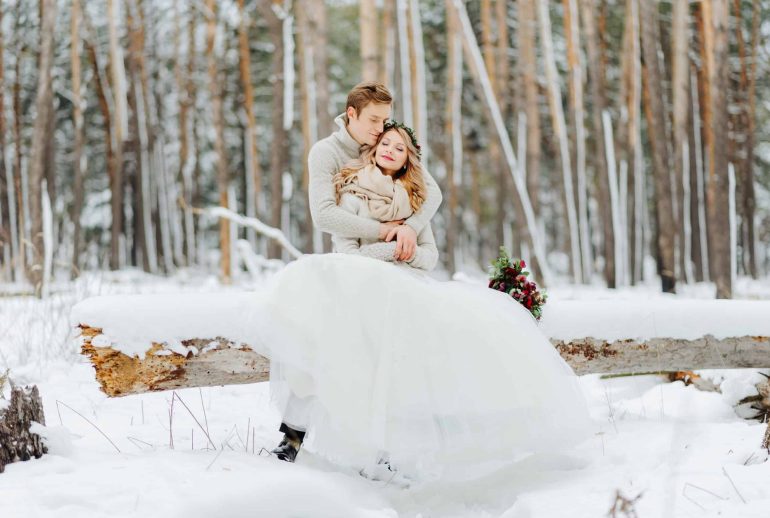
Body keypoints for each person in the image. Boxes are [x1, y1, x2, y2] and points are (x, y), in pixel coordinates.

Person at [256, 119, 594, 482]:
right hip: (355, 291)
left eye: (399, 148)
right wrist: (394, 245)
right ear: (374, 148)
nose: (390, 150)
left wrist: (408, 242)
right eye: (385, 142)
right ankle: (292, 439)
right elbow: (347, 254)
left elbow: (428, 256)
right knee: (330, 356)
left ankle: (384, 454)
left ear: (407, 160)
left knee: (399, 369)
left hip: (404, 292)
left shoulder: (414, 204)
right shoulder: (351, 193)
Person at [269, 82, 443, 462]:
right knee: (318, 337)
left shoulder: (389, 149)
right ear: (352, 115)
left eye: (386, 121)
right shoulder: (327, 153)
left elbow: (432, 192)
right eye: (374, 121)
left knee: (389, 355)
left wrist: (411, 228)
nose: (383, 131)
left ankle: (387, 446)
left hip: (393, 275)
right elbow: (325, 215)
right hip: (350, 266)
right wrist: (388, 233)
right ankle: (293, 435)